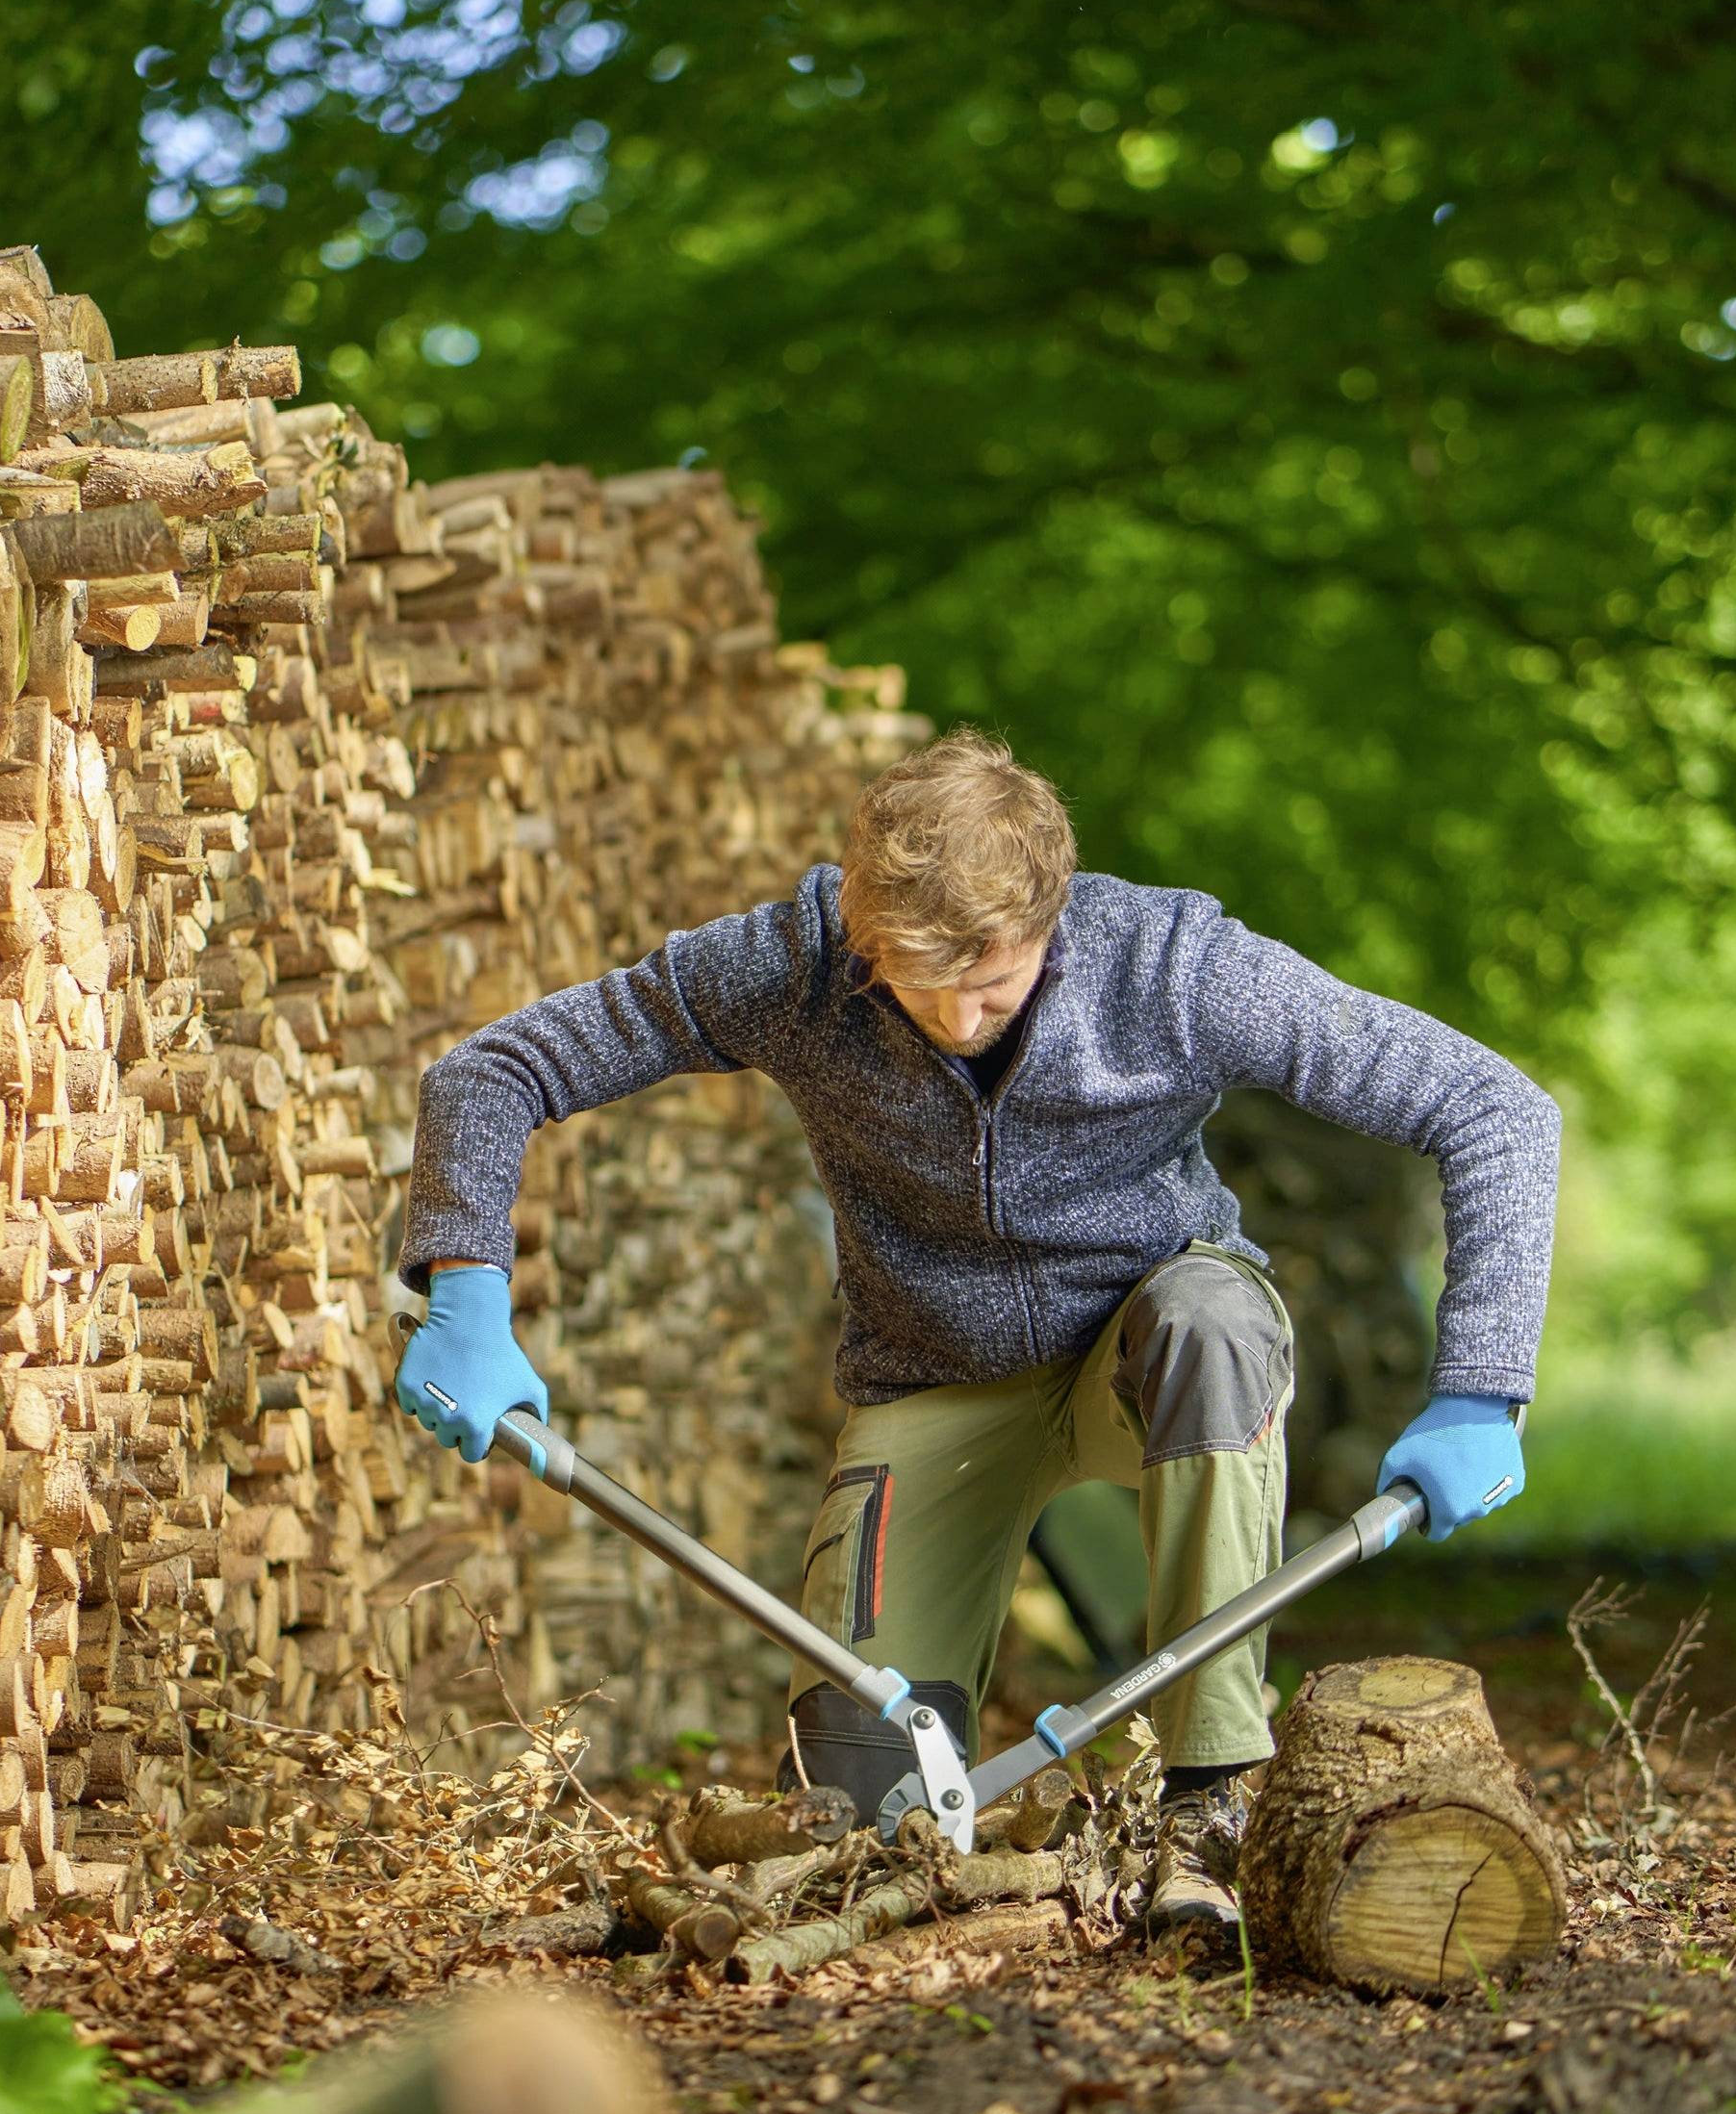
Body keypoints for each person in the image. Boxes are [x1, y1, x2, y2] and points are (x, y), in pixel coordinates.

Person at [393, 729, 1559, 1932]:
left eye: (991, 984)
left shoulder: (1172, 966)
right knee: (857, 1818)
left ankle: (1203, 1805)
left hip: (1146, 1353)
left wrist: (1481, 1386)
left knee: (1212, 1321)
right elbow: (496, 1069)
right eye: (917, 979)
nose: (956, 1015)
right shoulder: (795, 964)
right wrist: (467, 1290)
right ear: (862, 930)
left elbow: (1491, 1106)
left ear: (1053, 915)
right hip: (931, 1378)